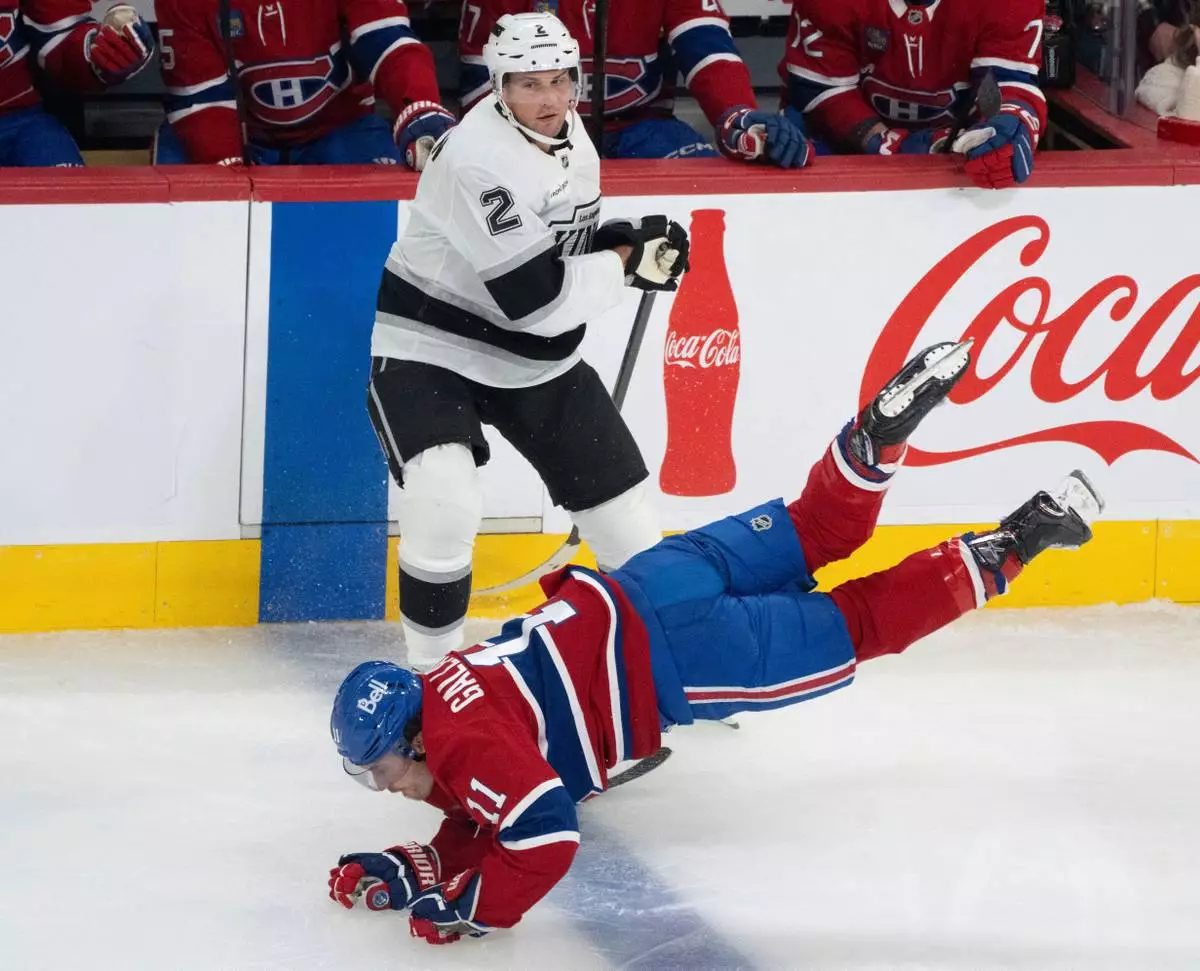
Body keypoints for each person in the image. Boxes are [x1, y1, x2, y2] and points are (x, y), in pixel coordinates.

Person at [327, 338, 1105, 945]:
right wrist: (424, 863)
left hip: (687, 655)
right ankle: (873, 441)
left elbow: (545, 829)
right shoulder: (451, 690)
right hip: (655, 577)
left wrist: (478, 908)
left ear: (415, 737)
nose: (386, 786)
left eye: (382, 770)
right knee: (814, 525)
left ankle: (1018, 540)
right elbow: (488, 799)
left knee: (859, 623)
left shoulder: (460, 745)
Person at [367, 11, 686, 670]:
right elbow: (535, 299)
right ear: (499, 88)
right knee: (443, 498)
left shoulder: (570, 136)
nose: (548, 98)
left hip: (534, 360)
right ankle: (434, 676)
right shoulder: (475, 158)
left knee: (629, 525)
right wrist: (626, 265)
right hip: (433, 347)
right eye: (529, 85)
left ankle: (669, 664)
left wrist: (622, 241)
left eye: (559, 81)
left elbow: (554, 245)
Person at [458, 0, 811, 166]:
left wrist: (737, 114)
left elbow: (706, 47)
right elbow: (481, 82)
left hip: (644, 127)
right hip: (534, 133)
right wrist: (524, 145)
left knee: (699, 179)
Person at [779, 0, 1047, 189]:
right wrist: (889, 144)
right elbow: (821, 91)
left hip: (959, 159)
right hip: (840, 152)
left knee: (999, 157)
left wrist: (1008, 119)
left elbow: (997, 82)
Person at [152, 0, 453, 168]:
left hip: (341, 127)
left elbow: (385, 41)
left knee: (375, 226)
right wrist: (226, 167)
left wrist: (418, 104)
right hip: (246, 135)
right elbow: (202, 97)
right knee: (191, 190)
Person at [0, 1, 153, 166]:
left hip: (21, 120)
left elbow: (57, 36)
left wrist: (98, 53)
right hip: (20, 118)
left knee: (60, 177)